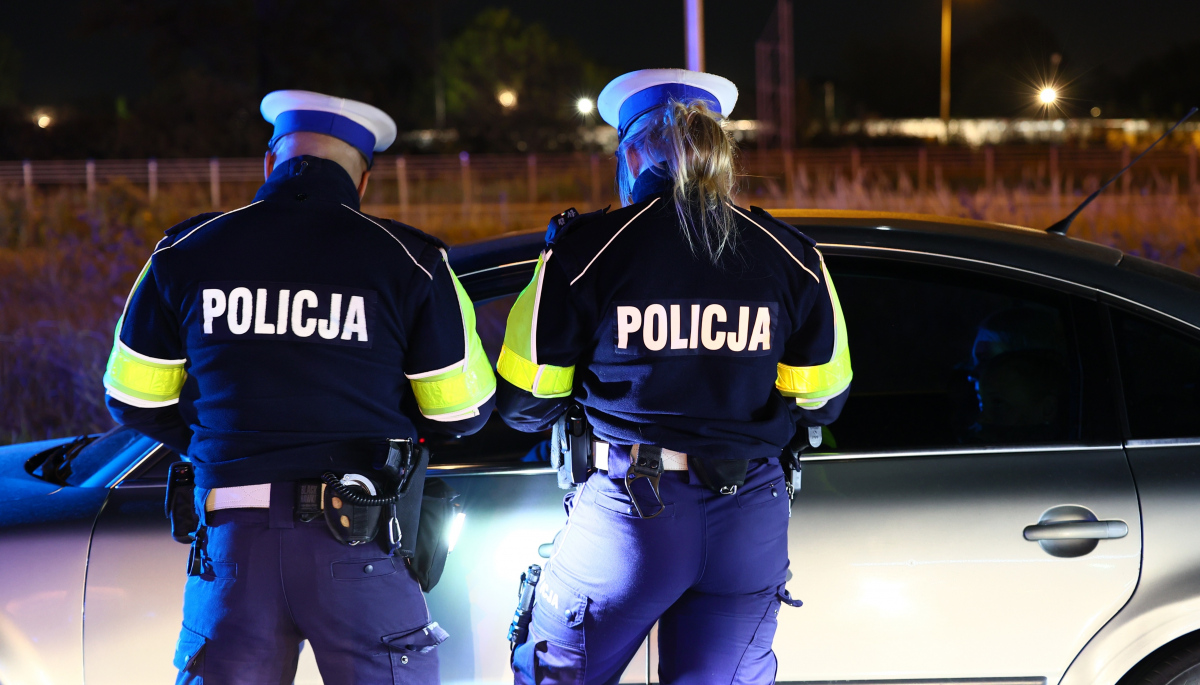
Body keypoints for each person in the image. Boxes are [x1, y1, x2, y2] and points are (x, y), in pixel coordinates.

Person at [102, 89, 496, 684]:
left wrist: (222, 444)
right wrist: (386, 432)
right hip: (361, 544)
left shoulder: (184, 251)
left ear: (270, 161)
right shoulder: (411, 261)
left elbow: (133, 400)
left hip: (231, 548)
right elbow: (463, 412)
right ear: (364, 179)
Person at [496, 69, 852, 685]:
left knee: (556, 676)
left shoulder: (585, 252)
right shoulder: (792, 255)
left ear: (632, 157)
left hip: (630, 516)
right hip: (750, 518)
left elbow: (525, 402)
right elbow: (823, 399)